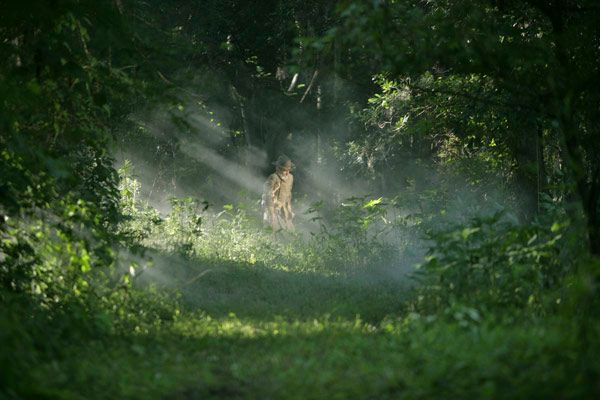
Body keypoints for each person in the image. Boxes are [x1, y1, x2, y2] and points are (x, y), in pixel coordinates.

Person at [262, 155, 295, 230]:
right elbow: (268, 195)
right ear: (278, 169)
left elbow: (288, 194)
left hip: (284, 209)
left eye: (288, 170)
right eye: (284, 170)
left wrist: (289, 210)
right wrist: (271, 214)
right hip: (272, 208)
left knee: (290, 232)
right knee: (272, 230)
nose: (287, 172)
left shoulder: (290, 178)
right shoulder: (273, 177)